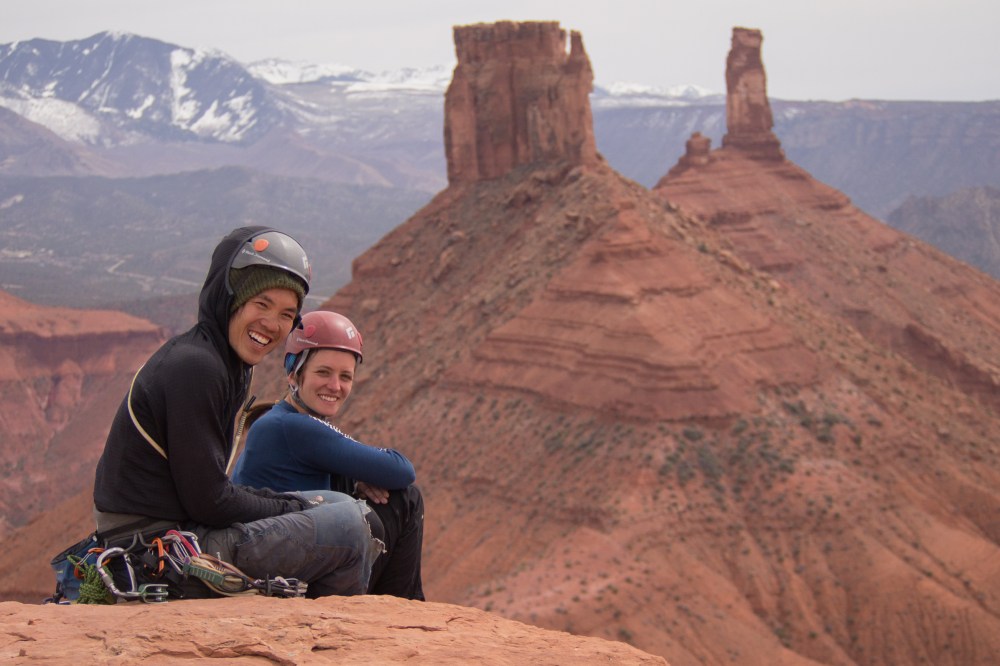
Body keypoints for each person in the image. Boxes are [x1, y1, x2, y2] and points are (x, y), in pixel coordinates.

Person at [92, 226, 383, 599]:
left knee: (342, 506)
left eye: (286, 314)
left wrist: (295, 505)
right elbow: (210, 502)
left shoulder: (222, 361)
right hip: (157, 551)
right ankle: (328, 625)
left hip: (171, 533)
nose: (272, 324)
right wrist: (293, 505)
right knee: (349, 525)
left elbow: (208, 492)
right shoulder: (197, 367)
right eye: (261, 304)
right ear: (230, 296)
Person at [232, 310, 425, 600]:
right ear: (294, 373)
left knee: (379, 494)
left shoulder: (280, 420)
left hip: (287, 558)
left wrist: (355, 480)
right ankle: (403, 604)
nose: (335, 386)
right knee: (405, 497)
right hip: (285, 571)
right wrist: (360, 477)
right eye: (323, 372)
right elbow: (401, 469)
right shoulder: (292, 426)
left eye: (345, 376)